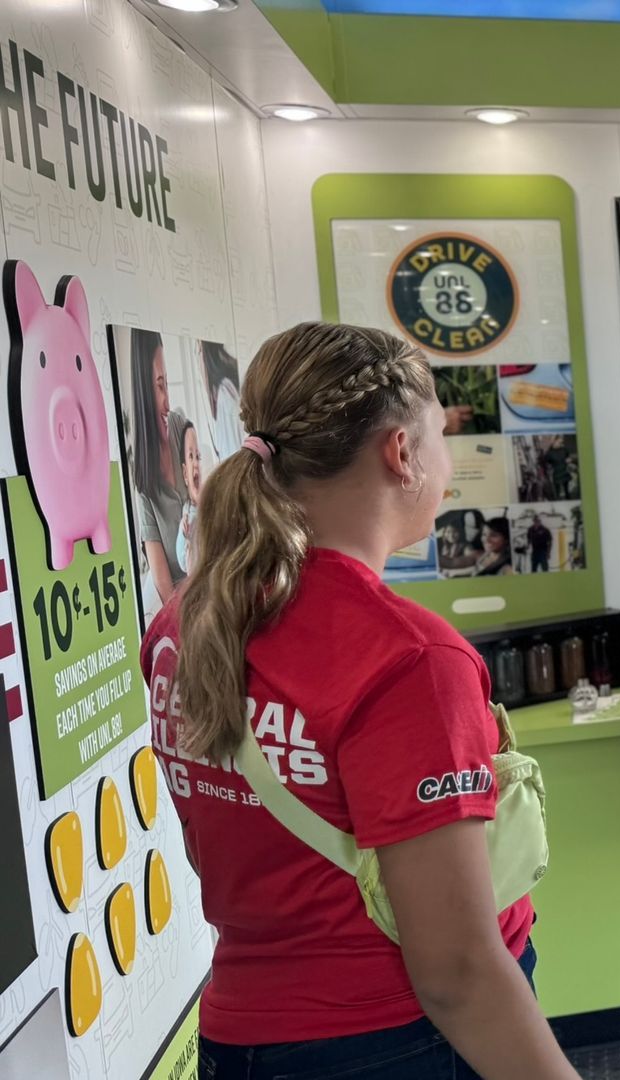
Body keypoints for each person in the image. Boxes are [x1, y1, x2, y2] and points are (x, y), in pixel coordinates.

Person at [139, 322, 577, 1080]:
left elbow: (218, 837)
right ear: (401, 453)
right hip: (395, 1040)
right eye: (440, 429)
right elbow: (457, 974)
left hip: (238, 1038)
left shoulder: (187, 622)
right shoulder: (410, 660)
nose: (447, 453)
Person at [128, 329, 189, 604]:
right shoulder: (144, 480)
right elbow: (165, 587)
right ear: (144, 391)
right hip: (186, 605)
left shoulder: (181, 428)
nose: (168, 403)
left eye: (168, 386)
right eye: (160, 386)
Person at [173, 419, 202, 576]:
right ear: (185, 474)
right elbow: (183, 563)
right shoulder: (187, 513)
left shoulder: (214, 507)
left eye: (199, 456)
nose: (196, 463)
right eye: (191, 456)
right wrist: (184, 535)